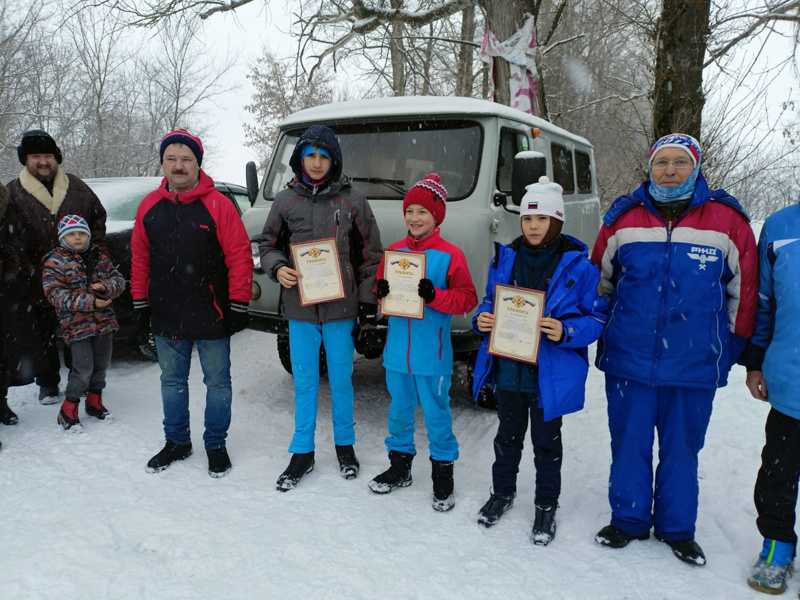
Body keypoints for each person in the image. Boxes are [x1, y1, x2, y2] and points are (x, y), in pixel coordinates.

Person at [591, 133, 757, 565]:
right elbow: (597, 285)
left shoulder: (726, 222)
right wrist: (601, 332)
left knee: (683, 448)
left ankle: (677, 527)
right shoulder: (622, 220)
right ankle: (627, 520)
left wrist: (727, 350)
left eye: (680, 163)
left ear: (696, 167)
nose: (669, 170)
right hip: (629, 360)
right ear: (649, 168)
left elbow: (745, 294)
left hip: (693, 363)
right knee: (629, 443)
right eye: (662, 162)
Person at [471, 175, 607, 543]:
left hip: (549, 373)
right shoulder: (506, 256)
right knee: (507, 438)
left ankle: (546, 506)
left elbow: (596, 316)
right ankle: (502, 493)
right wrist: (481, 318)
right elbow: (489, 300)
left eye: (542, 219)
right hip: (510, 368)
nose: (533, 226)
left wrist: (567, 332)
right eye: (528, 219)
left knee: (547, 445)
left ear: (557, 221)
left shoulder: (579, 265)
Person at [259, 125, 382, 492]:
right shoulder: (285, 201)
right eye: (310, 155)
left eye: (323, 156)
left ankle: (345, 446)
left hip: (341, 309)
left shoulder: (353, 201)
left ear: (334, 160)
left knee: (342, 381)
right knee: (306, 382)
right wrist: (278, 267)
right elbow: (267, 244)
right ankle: (302, 451)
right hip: (300, 309)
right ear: (300, 159)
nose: (316, 162)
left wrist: (366, 302)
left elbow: (370, 254)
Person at [131, 129, 252, 478]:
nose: (179, 166)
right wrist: (140, 300)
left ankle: (215, 443)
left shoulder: (218, 205)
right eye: (172, 159)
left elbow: (240, 255)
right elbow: (140, 257)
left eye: (186, 159)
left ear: (198, 163)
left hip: (211, 312)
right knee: (172, 381)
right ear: (163, 164)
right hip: (166, 312)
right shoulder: (149, 207)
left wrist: (239, 303)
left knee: (217, 383)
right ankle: (177, 442)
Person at [368, 173, 477, 512]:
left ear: (436, 216)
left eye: (422, 212)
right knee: (399, 412)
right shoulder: (395, 252)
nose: (415, 218)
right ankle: (400, 468)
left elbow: (466, 299)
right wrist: (380, 293)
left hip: (433, 355)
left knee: (436, 414)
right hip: (398, 352)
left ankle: (442, 476)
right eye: (410, 211)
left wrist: (436, 296)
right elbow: (379, 290)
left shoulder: (450, 255)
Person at [5, 129, 107, 405]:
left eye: (47, 155)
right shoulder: (13, 192)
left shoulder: (77, 187)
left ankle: (81, 378)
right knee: (43, 334)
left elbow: (97, 222)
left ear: (56, 157)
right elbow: (10, 237)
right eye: (35, 156)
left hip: (77, 277)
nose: (42, 161)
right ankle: (48, 382)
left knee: (80, 330)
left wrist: (95, 258)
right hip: (34, 277)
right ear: (25, 159)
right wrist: (25, 267)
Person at [738, 200, 800, 594]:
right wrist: (755, 362)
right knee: (778, 472)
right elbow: (764, 302)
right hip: (791, 382)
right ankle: (776, 547)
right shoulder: (780, 226)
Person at [42, 215, 125, 432]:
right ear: (63, 237)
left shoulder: (99, 256)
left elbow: (118, 280)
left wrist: (106, 287)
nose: (77, 238)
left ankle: (94, 401)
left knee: (102, 365)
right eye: (71, 234)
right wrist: (91, 300)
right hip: (77, 326)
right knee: (83, 368)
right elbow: (55, 295)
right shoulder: (55, 261)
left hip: (104, 322)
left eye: (81, 233)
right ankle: (68, 408)